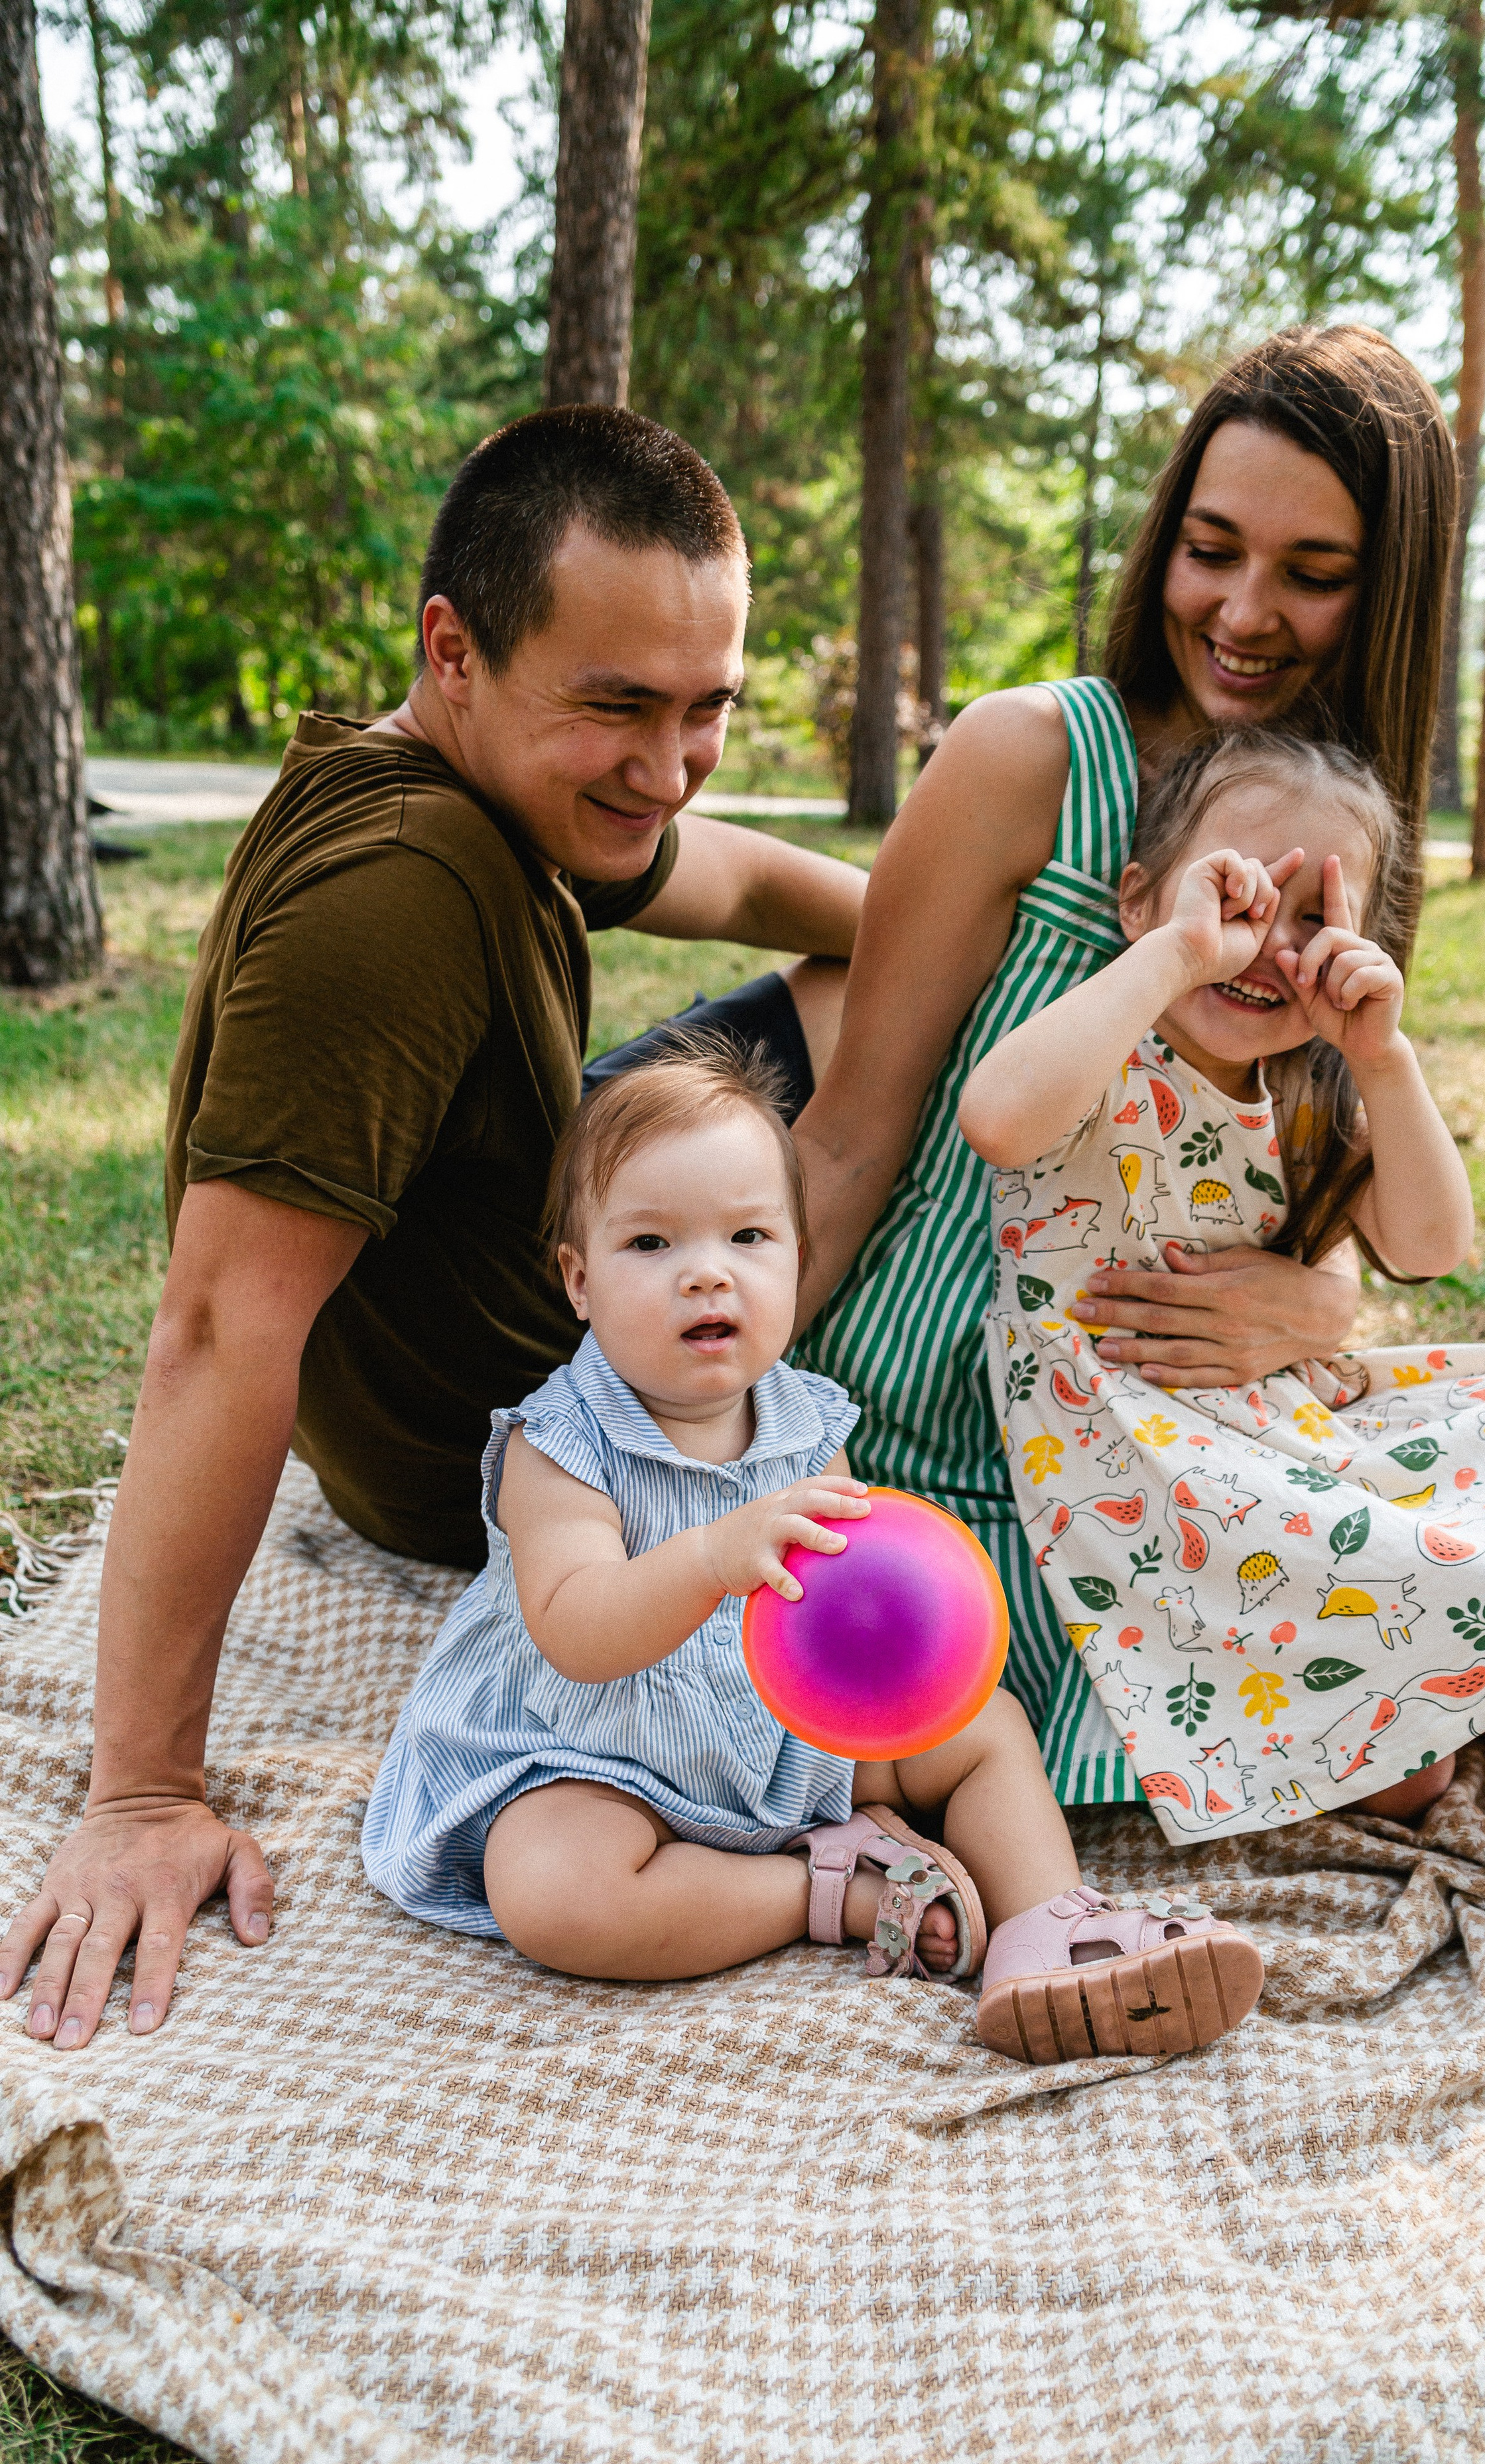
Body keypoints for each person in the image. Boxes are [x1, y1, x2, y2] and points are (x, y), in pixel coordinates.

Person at [1, 408, 868, 2051]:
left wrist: (928, 914)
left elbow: (730, 875)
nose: (665, 763)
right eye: (616, 707)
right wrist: (140, 1793)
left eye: (705, 711)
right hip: (539, 1437)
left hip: (524, 1197)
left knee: (870, 983)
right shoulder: (397, 893)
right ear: (452, 650)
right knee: (908, 1054)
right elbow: (216, 1326)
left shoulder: (493, 780)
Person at [787, 321, 1461, 1809]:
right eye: (1209, 549)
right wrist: (691, 1442)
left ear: (1390, 591)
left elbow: (1306, 1215)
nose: (1240, 611)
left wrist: (1321, 1300)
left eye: (1311, 572)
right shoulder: (1032, 757)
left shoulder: (1339, 836)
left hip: (1163, 1456)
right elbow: (848, 1141)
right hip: (938, 1418)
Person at [362, 1042, 1267, 2061]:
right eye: (652, 1243)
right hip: (594, 1752)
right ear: (579, 1279)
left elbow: (842, 1601)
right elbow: (577, 1629)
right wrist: (713, 1557)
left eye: (748, 1234)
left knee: (985, 1725)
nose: (707, 1270)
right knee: (551, 1892)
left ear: (795, 1255)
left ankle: (1050, 1924)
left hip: (777, 1727)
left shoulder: (805, 1421)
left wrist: (908, 1659)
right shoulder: (559, 1444)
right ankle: (819, 1892)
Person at [955, 725, 1485, 1939]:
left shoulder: (1309, 1084)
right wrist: (1172, 953)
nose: (1264, 946)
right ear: (1141, 896)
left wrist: (1385, 1055)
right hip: (1158, 1483)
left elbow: (1432, 1244)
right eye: (1237, 894)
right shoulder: (1104, 1041)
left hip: (1283, 1432)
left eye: (1309, 916)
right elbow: (996, 1116)